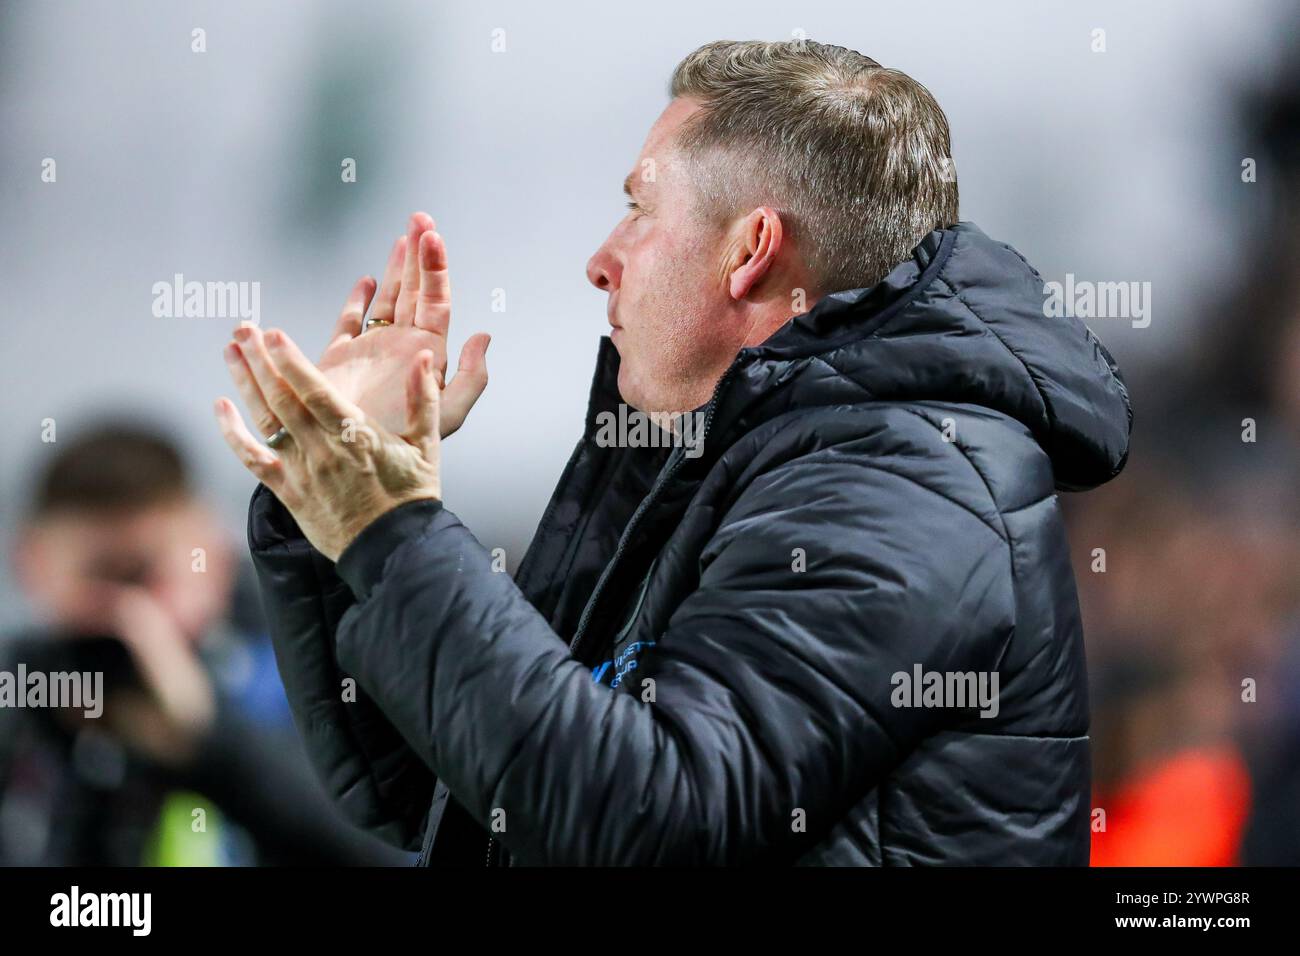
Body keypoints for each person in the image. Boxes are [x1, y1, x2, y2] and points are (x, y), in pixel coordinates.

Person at [215, 39, 1132, 865]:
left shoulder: (903, 488)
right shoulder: (728, 458)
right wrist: (333, 508)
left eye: (638, 208)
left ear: (751, 251)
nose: (602, 259)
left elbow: (652, 818)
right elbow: (436, 790)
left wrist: (393, 527)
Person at [1, 423, 404, 865]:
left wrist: (208, 739)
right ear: (31, 565)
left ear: (211, 555)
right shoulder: (21, 693)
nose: (126, 615)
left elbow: (391, 851)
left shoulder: (320, 669)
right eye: (101, 577)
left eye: (141, 574)